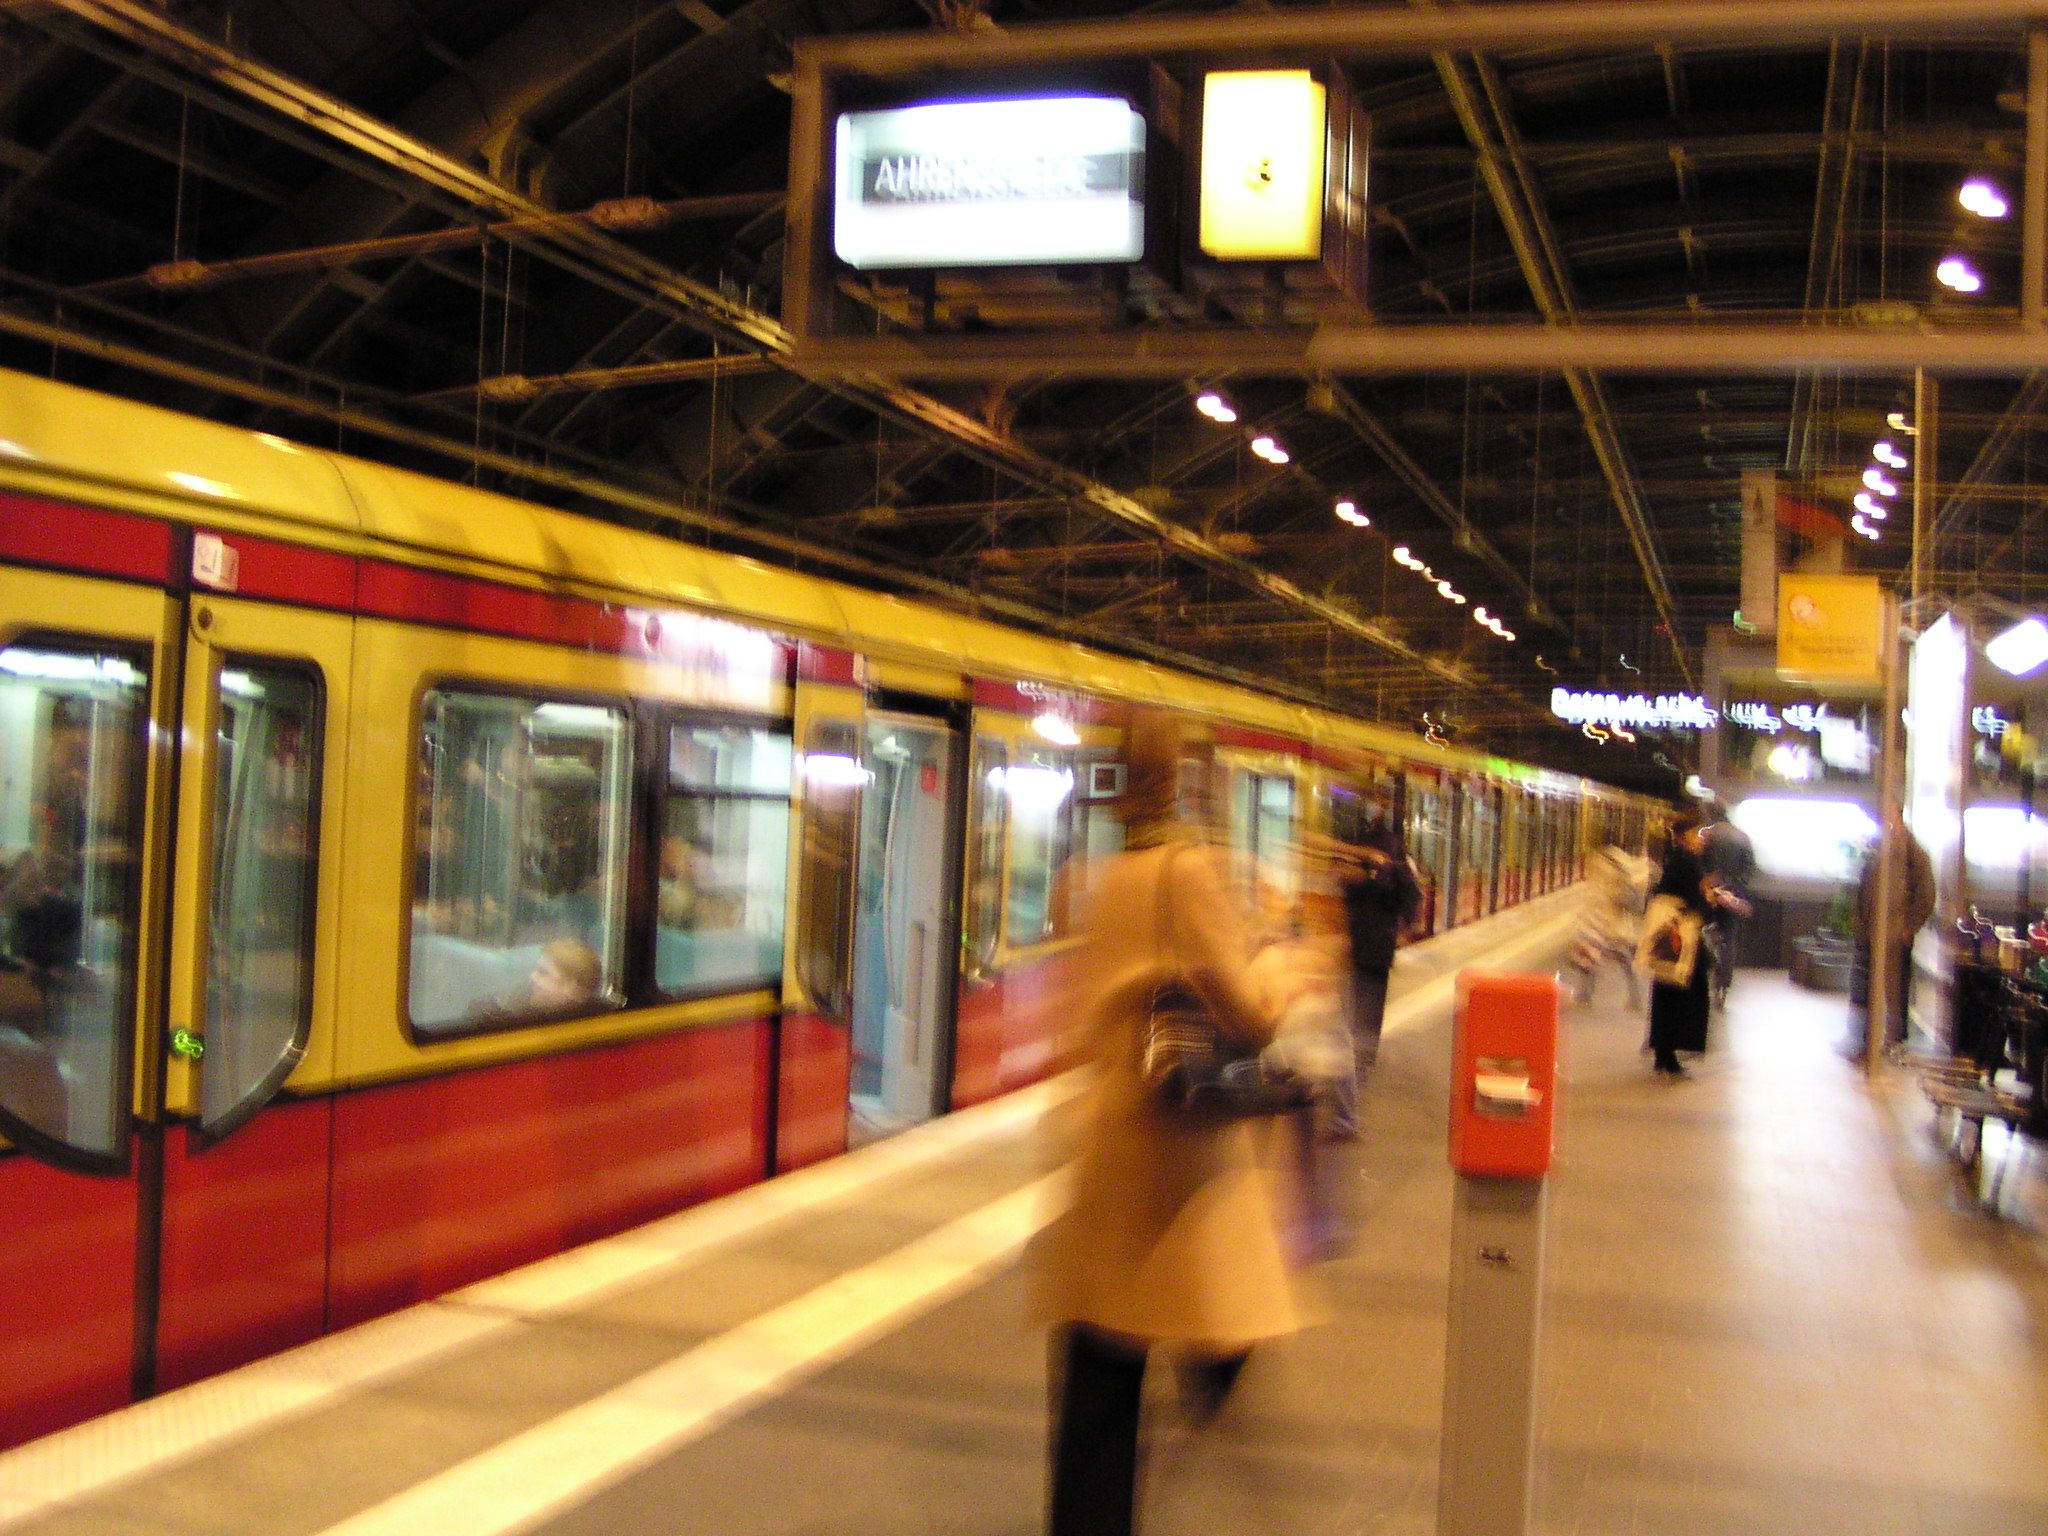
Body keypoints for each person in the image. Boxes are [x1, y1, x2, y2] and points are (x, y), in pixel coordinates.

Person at [1034, 707, 1301, 1536]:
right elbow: (1251, 1017)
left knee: (1101, 1365)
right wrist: (1281, 964)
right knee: (1204, 1313)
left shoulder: (1092, 875)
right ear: (1186, 778)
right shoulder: (1188, 874)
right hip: (1170, 1151)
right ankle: (1212, 1380)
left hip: (1106, 1133)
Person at [1324, 793, 1422, 1138]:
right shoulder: (1386, 853)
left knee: (1359, 1015)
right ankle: (1358, 1071)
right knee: (1361, 1014)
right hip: (1369, 945)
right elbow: (1411, 896)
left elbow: (1406, 894)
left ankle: (1353, 1085)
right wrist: (1403, 929)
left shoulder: (1387, 855)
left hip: (1367, 945)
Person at [1643, 812, 1747, 1077]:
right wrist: (1712, 898)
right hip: (1681, 938)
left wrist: (1713, 894)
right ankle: (1668, 1051)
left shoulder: (1684, 860)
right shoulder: (1685, 862)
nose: (1702, 838)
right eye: (1696, 834)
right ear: (1682, 837)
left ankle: (1665, 1052)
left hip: (1679, 938)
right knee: (1683, 991)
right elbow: (1694, 897)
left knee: (1670, 991)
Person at [1853, 806, 1936, 1054]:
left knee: (1894, 988)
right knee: (1871, 984)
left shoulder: (1914, 854)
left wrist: (1909, 927)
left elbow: (1926, 895)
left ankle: (1894, 1039)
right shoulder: (1880, 848)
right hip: (1874, 932)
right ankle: (1870, 1038)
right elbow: (1866, 888)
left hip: (1895, 933)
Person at [1700, 801, 1757, 1006]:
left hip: (1710, 893)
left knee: (1706, 933)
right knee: (1729, 938)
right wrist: (1734, 888)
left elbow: (1702, 864)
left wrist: (1713, 885)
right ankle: (1723, 985)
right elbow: (1750, 869)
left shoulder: (1708, 835)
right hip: (1733, 895)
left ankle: (1708, 973)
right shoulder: (1742, 837)